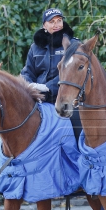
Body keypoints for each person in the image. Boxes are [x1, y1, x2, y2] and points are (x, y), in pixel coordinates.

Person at [21, 8, 82, 139]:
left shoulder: (73, 44)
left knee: (76, 127)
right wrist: (30, 86)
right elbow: (27, 71)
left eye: (59, 21)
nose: (56, 24)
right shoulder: (35, 47)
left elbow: (73, 73)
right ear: (44, 25)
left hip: (65, 97)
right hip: (38, 98)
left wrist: (48, 87)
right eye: (52, 21)